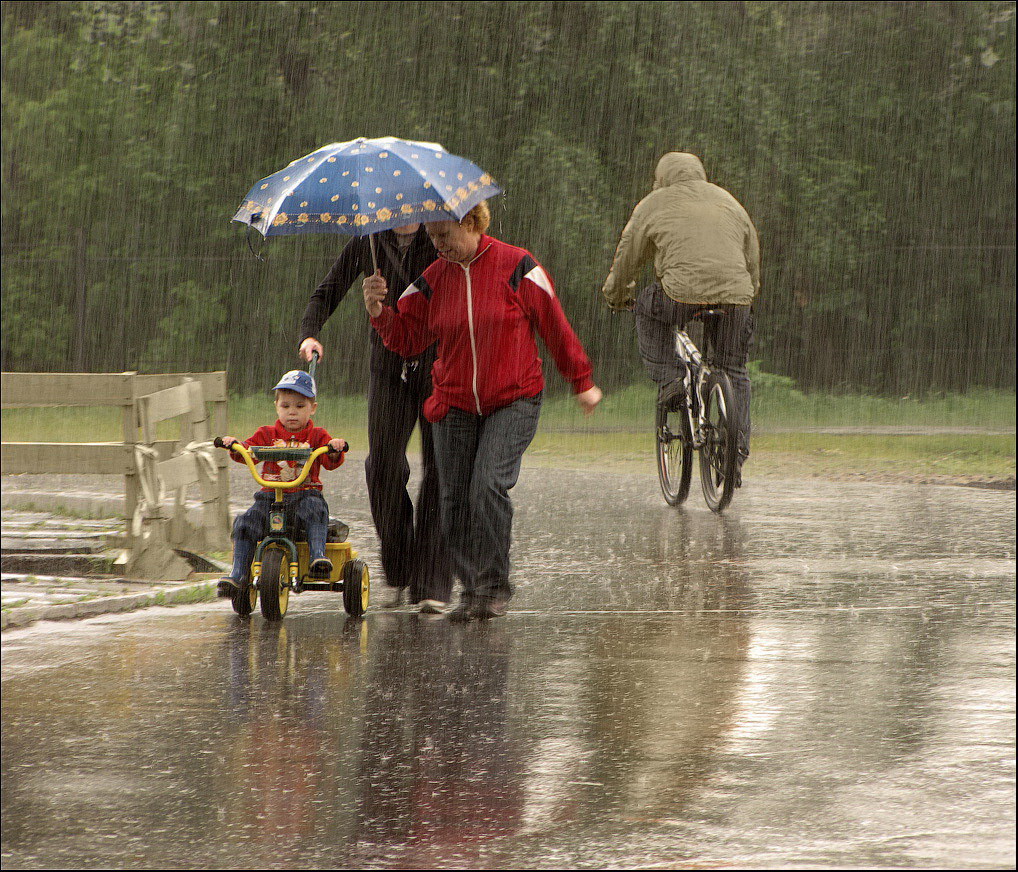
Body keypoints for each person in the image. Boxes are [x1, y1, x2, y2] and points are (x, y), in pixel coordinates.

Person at [363, 201, 602, 621]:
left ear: (471, 223)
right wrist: (380, 313)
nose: (438, 245)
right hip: (454, 403)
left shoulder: (518, 266)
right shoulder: (431, 283)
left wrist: (581, 381)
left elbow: (554, 325)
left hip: (514, 399)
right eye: (432, 237)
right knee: (452, 499)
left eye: (444, 236)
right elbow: (407, 339)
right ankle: (471, 589)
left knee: (487, 485)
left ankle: (492, 588)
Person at [298, 224, 453, 614]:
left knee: (439, 469)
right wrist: (310, 334)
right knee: (382, 464)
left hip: (440, 363)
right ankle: (400, 571)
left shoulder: (440, 237)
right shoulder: (367, 241)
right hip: (388, 367)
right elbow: (327, 290)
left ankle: (432, 580)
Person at [601, 151, 760, 485]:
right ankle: (736, 453)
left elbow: (629, 254)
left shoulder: (653, 203)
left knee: (647, 307)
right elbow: (752, 253)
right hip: (736, 296)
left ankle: (671, 379)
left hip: (679, 295)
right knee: (734, 369)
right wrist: (749, 293)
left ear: (662, 177)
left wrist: (617, 296)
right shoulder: (728, 200)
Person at [216, 369, 347, 596]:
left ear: (312, 408)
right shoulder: (266, 434)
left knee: (315, 509)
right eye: (286, 406)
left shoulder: (317, 435)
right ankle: (238, 575)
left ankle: (318, 557)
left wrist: (334, 448)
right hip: (269, 498)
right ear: (276, 406)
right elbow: (247, 453)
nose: (292, 412)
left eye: (299, 406)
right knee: (244, 523)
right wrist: (234, 444)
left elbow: (329, 461)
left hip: (305, 496)